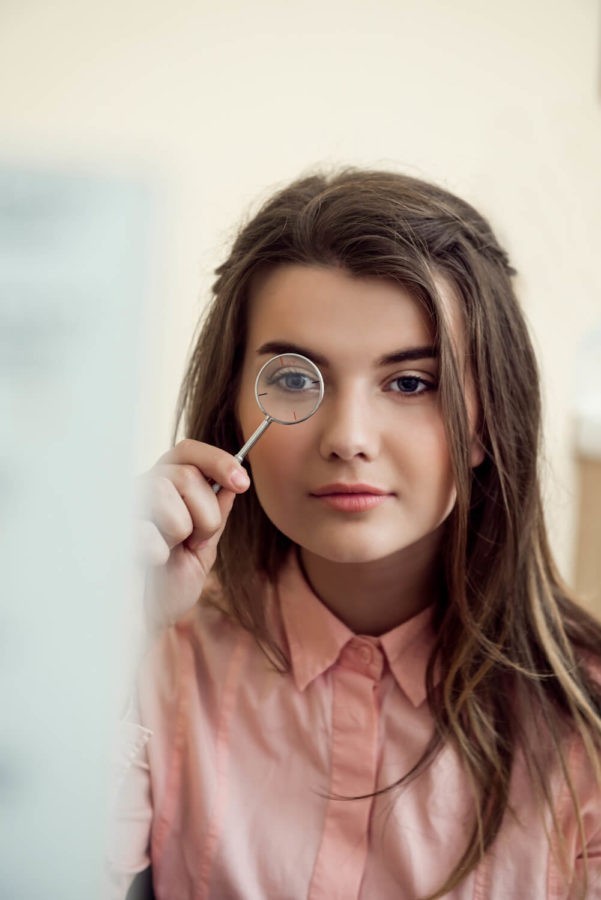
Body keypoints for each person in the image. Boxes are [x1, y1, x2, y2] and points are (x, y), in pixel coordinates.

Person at [109, 169, 601, 899]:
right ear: (231, 410)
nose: (347, 439)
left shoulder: (584, 724)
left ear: (487, 421)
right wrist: (110, 633)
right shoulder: (153, 658)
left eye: (410, 384)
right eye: (296, 380)